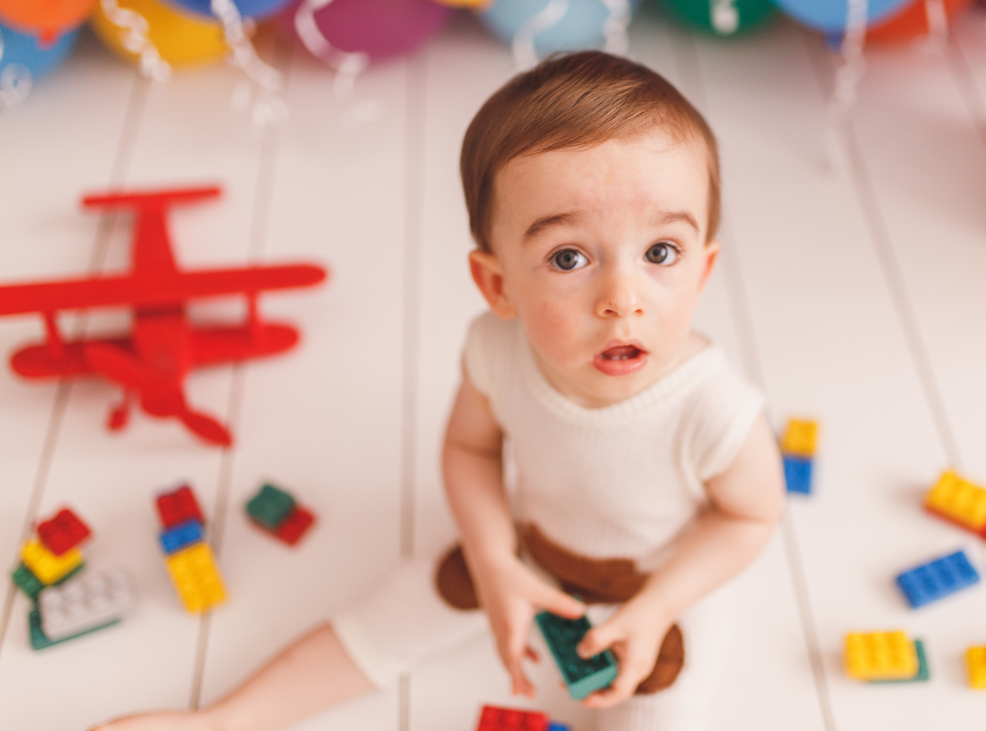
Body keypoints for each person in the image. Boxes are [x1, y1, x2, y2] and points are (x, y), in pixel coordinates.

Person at [91, 51, 783, 731]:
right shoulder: (496, 350)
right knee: (380, 619)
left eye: (661, 252)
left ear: (704, 268)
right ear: (498, 285)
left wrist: (663, 603)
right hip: (529, 550)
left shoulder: (710, 407)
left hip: (664, 582)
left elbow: (749, 519)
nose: (621, 299)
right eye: (569, 257)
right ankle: (223, 721)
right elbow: (470, 450)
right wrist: (491, 558)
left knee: (661, 709)